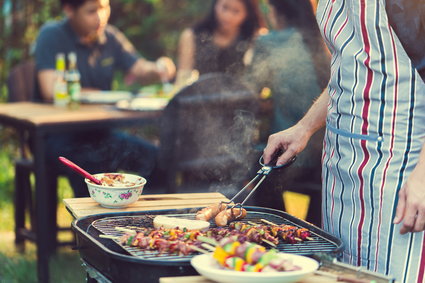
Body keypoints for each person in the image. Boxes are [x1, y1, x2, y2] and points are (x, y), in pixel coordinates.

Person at [263, 0, 425, 282]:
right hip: (341, 161)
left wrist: (423, 176)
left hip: (400, 164)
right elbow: (352, 69)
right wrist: (304, 128)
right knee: (340, 271)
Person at [34, 0, 175, 197]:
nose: (100, 17)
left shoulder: (109, 36)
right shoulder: (51, 35)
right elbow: (50, 89)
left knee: (157, 160)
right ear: (69, 10)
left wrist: (159, 67)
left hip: (101, 133)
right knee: (92, 162)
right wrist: (97, 95)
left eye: (104, 8)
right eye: (91, 11)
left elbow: (140, 68)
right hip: (59, 135)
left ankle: (145, 220)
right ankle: (90, 224)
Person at [242, 0, 329, 223]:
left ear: (276, 10)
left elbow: (249, 90)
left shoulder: (269, 42)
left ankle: (272, 225)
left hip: (289, 155)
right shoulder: (323, 40)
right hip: (325, 156)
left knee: (249, 163)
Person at [175, 0, 265, 86]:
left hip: (240, 99)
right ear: (215, 4)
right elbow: (184, 76)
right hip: (199, 98)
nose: (228, 16)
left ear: (247, 14)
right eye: (224, 7)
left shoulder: (255, 38)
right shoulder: (192, 35)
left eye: (236, 11)